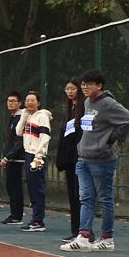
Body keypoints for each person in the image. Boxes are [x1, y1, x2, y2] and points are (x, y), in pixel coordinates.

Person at [61, 69, 129, 252]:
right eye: (83, 84)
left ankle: (107, 238)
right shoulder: (87, 102)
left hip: (101, 160)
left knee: (104, 199)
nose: (85, 87)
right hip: (84, 159)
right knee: (85, 198)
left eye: (89, 84)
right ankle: (84, 236)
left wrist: (111, 139)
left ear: (99, 85)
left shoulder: (108, 103)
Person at [17, 90, 52, 232]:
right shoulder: (28, 116)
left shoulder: (42, 117)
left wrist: (39, 156)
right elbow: (18, 132)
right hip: (28, 154)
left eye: (32, 100)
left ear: (38, 103)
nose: (29, 103)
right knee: (31, 188)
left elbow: (45, 137)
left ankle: (38, 221)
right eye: (27, 100)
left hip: (37, 156)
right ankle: (35, 219)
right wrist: (24, 116)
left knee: (37, 188)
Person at [55, 79, 84, 241]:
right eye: (67, 89)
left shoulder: (84, 108)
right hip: (68, 159)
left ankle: (83, 231)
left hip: (79, 157)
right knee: (72, 196)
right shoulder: (68, 110)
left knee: (80, 195)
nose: (70, 92)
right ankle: (75, 230)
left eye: (73, 89)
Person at [0, 91, 25, 225]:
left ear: (20, 103)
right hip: (10, 159)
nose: (10, 103)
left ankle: (17, 216)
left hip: (17, 159)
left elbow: (19, 142)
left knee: (16, 187)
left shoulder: (22, 118)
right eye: (9, 101)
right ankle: (14, 214)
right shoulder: (11, 118)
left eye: (14, 101)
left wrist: (8, 156)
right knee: (10, 187)